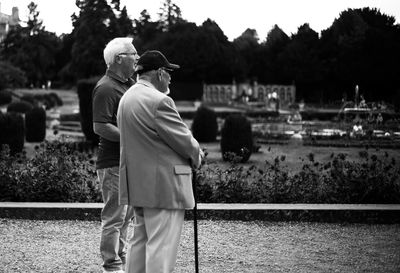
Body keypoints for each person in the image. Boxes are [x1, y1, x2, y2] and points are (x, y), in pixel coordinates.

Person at [117, 50, 204, 273]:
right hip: (164, 186)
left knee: (140, 243)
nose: (170, 77)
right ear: (158, 73)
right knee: (161, 248)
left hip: (139, 184)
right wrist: (197, 155)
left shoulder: (127, 97)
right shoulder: (159, 101)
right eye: (168, 72)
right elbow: (184, 141)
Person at [92, 37, 139, 273]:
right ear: (119, 59)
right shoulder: (106, 87)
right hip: (113, 162)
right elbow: (100, 126)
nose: (137, 58)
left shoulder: (128, 84)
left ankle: (119, 259)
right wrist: (133, 138)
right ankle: (111, 266)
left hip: (128, 161)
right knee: (114, 216)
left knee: (126, 216)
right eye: (134, 54)